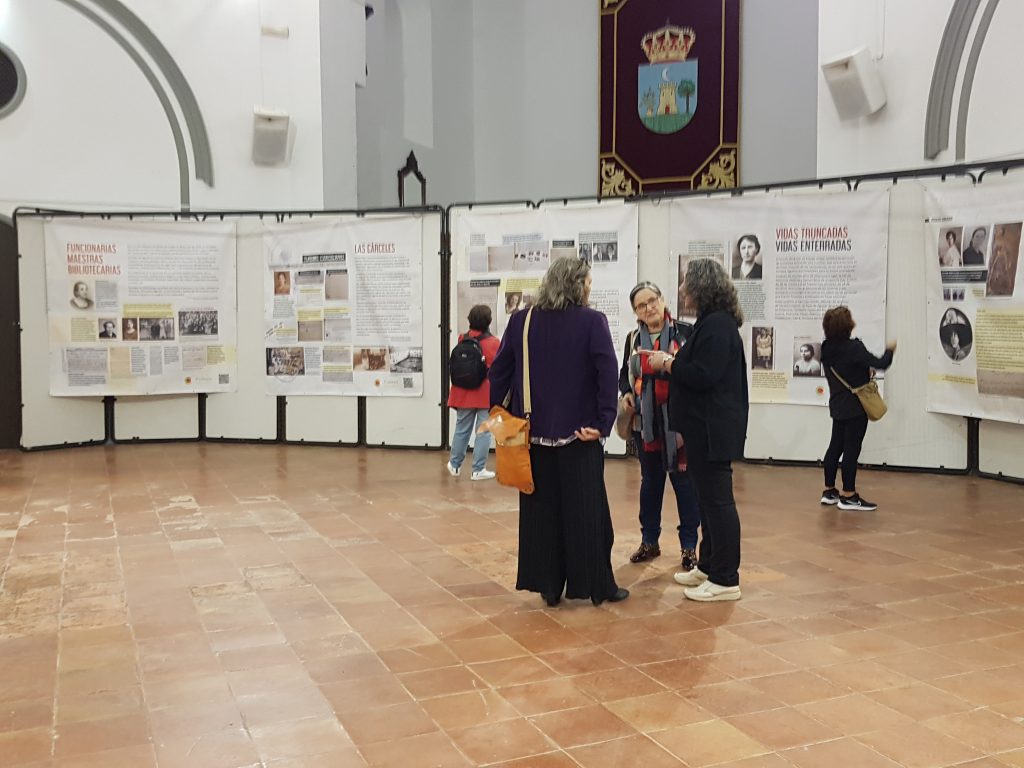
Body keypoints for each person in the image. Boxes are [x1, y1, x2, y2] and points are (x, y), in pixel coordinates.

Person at [489, 256, 627, 607]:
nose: (589, 289)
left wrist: (503, 415)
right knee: (587, 513)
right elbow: (606, 374)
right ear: (578, 285)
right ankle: (597, 586)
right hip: (579, 435)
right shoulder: (592, 321)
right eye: (588, 284)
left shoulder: (522, 321)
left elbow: (500, 372)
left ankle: (549, 585)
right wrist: (602, 422)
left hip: (531, 435)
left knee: (540, 514)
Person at [647, 258, 748, 602]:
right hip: (703, 428)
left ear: (702, 287)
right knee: (706, 500)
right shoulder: (710, 322)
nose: (681, 289)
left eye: (686, 283)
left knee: (718, 503)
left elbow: (706, 374)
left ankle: (725, 578)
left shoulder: (718, 325)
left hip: (713, 429)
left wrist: (669, 364)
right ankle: (708, 564)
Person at [618, 281, 701, 571]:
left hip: (678, 425)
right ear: (636, 312)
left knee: (684, 484)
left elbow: (695, 374)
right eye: (642, 305)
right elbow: (623, 375)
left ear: (663, 299)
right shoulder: (632, 338)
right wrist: (626, 393)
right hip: (646, 425)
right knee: (650, 483)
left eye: (653, 300)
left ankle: (689, 547)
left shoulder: (686, 333)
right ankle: (649, 541)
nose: (649, 307)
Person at [819, 306, 896, 512]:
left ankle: (829, 491)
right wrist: (891, 348)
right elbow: (881, 363)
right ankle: (849, 495)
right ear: (848, 325)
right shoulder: (853, 348)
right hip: (855, 407)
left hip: (837, 404)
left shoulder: (825, 348)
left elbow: (847, 370)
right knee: (851, 449)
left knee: (835, 446)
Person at [447, 305, 500, 481]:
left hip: (462, 392)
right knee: (483, 432)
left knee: (461, 429)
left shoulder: (462, 338)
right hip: (484, 394)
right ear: (489, 321)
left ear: (470, 319)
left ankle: (454, 465)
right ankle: (478, 470)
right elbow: (497, 369)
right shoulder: (494, 343)